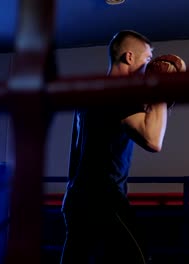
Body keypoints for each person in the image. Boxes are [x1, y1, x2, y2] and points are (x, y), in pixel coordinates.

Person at [60, 29, 170, 264]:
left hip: (76, 199)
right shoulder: (120, 92)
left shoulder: (92, 91)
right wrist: (163, 87)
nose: (150, 66)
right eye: (148, 59)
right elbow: (153, 140)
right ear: (130, 57)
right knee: (138, 258)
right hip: (104, 198)